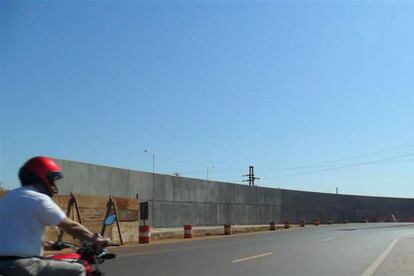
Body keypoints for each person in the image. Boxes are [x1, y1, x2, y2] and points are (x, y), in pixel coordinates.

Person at [0, 156, 109, 276]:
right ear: (42, 177)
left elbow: (14, 236)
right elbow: (70, 226)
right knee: (79, 269)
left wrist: (48, 245)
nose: (52, 185)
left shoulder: (7, 198)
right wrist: (97, 240)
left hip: (4, 264)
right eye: (51, 180)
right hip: (24, 265)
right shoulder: (38, 198)